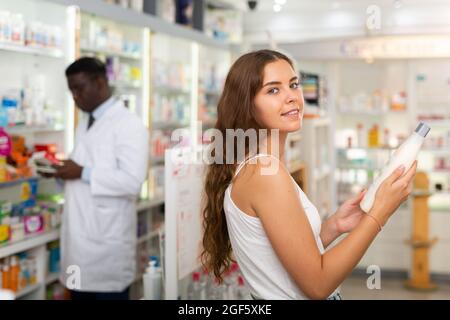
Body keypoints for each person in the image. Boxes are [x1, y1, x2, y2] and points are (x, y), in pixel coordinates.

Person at [201, 50, 417, 300]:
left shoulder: (263, 168)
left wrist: (335, 225)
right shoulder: (264, 174)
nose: (291, 96)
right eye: (273, 90)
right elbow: (318, 284)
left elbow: (289, 259)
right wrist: (380, 213)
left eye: (293, 85)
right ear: (247, 105)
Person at [43, 57, 149, 300]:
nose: (75, 97)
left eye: (79, 88)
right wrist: (60, 172)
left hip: (106, 250)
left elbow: (132, 181)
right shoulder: (86, 122)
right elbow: (84, 168)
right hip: (78, 243)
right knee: (76, 292)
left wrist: (82, 172)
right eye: (71, 90)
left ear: (100, 82)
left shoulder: (128, 124)